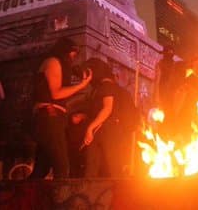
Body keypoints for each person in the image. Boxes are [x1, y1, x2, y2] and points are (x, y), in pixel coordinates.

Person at [30, 38, 92, 179]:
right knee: (61, 166)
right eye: (71, 53)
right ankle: (62, 199)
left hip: (53, 117)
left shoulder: (60, 64)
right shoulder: (53, 62)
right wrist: (81, 86)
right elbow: (56, 93)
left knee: (42, 168)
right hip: (49, 115)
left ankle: (26, 199)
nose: (72, 57)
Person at [82, 58, 137, 177]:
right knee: (105, 167)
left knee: (109, 167)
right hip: (109, 131)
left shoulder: (106, 87)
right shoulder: (109, 88)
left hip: (108, 131)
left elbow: (107, 108)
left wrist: (90, 128)